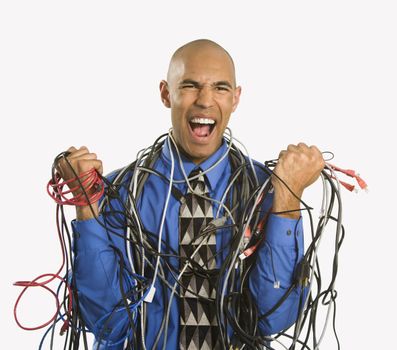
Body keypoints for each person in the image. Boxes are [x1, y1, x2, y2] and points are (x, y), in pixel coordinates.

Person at [59, 39, 324, 349]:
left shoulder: (267, 191)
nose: (205, 100)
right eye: (190, 86)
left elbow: (271, 320)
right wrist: (87, 206)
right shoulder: (119, 193)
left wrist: (288, 198)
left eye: (221, 88)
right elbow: (107, 323)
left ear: (236, 99)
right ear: (165, 93)